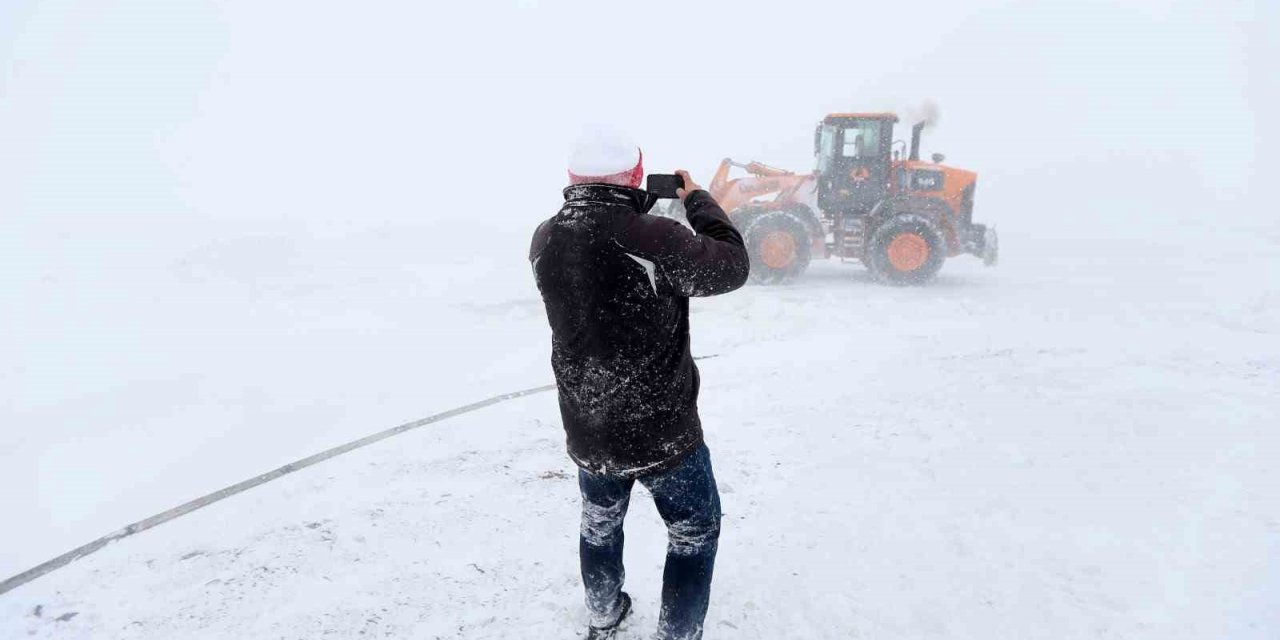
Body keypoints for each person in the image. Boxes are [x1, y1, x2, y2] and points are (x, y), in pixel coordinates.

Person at [529, 129, 750, 640]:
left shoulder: (544, 238)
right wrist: (696, 198)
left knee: (599, 525)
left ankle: (604, 617)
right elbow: (732, 264)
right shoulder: (656, 238)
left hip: (586, 431)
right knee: (694, 532)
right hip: (663, 436)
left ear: (572, 180)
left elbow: (601, 253)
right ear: (634, 177)